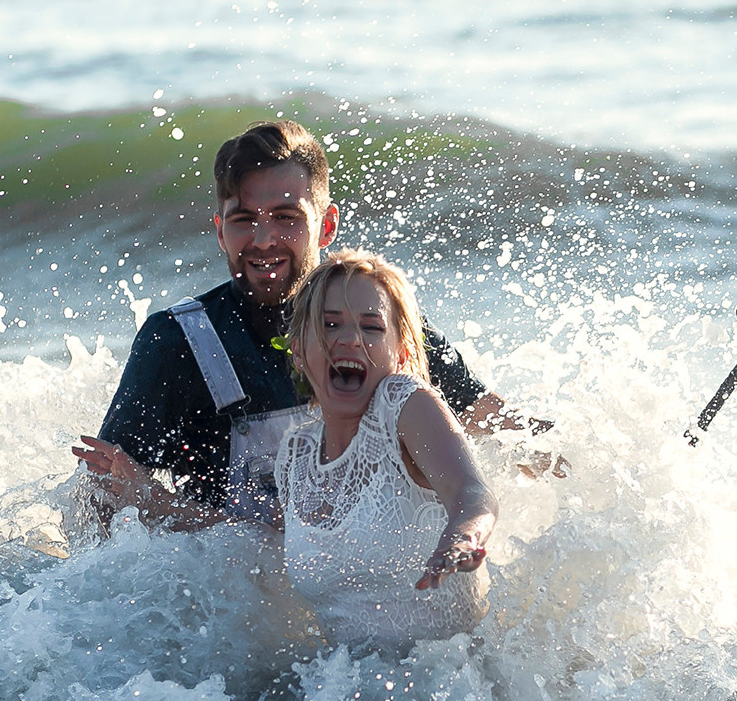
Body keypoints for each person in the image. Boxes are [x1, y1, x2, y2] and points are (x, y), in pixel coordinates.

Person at [73, 119, 516, 527]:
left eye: (286, 218)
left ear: (326, 226)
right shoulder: (178, 344)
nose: (263, 240)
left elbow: (506, 430)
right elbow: (101, 500)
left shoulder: (381, 327)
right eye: (244, 220)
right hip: (233, 601)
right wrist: (151, 512)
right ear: (219, 229)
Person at [276, 250, 494, 647]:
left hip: (452, 687)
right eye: (329, 324)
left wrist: (463, 536)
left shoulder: (404, 403)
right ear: (297, 349)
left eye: (372, 327)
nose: (350, 339)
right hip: (348, 694)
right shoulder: (296, 452)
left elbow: (473, 494)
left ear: (402, 354)